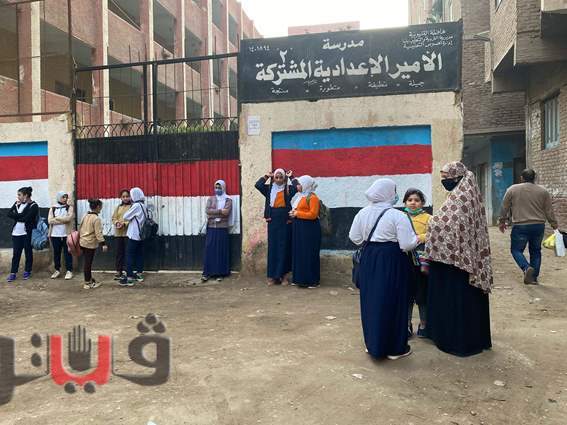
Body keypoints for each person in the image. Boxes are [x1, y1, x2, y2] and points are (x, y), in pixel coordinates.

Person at [425, 161, 492, 357]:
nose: (444, 180)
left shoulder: (461, 199)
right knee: (469, 300)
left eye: (447, 177)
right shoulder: (466, 195)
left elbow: (449, 225)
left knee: (457, 300)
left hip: (456, 263)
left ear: (458, 177)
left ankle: (457, 340)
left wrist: (431, 223)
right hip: (464, 259)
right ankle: (474, 337)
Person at [349, 179, 418, 360]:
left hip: (369, 259)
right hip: (392, 260)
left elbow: (355, 238)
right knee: (394, 300)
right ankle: (395, 348)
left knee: (371, 300)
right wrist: (418, 238)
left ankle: (373, 344)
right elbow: (406, 244)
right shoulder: (398, 215)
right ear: (388, 193)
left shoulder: (362, 213)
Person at [498, 168, 558, 285]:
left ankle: (526, 268)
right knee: (536, 251)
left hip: (520, 226)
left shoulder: (512, 189)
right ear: (535, 178)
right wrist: (554, 225)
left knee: (516, 250)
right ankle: (533, 278)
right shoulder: (543, 191)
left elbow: (504, 206)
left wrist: (502, 221)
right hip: (538, 226)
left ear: (521, 178)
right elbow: (549, 210)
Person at [255, 168, 297, 286]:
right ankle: (272, 276)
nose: (278, 180)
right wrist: (266, 176)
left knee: (284, 247)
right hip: (272, 221)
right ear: (273, 178)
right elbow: (258, 185)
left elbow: (298, 187)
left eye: (281, 177)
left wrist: (291, 177)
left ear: (284, 178)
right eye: (276, 177)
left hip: (285, 222)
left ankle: (284, 276)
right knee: (273, 248)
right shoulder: (269, 189)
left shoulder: (288, 189)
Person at [403, 188, 431, 338]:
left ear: (422, 203)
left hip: (422, 263)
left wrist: (422, 237)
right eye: (410, 200)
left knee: (422, 295)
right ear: (405, 202)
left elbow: (434, 233)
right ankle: (406, 324)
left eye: (417, 200)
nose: (413, 203)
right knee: (406, 295)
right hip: (405, 261)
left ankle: (424, 324)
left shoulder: (429, 218)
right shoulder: (400, 217)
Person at [289, 175, 321, 288]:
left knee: (308, 253)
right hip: (299, 228)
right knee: (299, 252)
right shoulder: (301, 196)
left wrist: (297, 214)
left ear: (306, 185)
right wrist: (294, 213)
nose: (298, 186)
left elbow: (313, 214)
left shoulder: (313, 198)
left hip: (309, 229)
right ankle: (299, 279)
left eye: (300, 184)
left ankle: (311, 280)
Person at [202, 180, 233, 282]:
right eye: (216, 187)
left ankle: (220, 273)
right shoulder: (211, 199)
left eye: (219, 188)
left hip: (222, 228)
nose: (217, 189)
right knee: (210, 250)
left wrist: (213, 214)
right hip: (211, 228)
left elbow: (226, 212)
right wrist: (220, 211)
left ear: (223, 188)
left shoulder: (228, 199)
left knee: (220, 250)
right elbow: (207, 211)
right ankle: (207, 273)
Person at [7, 187, 39, 282]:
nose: (18, 197)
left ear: (25, 195)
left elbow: (27, 218)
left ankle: (27, 271)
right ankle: (13, 273)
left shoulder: (33, 206)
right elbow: (9, 214)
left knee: (28, 252)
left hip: (26, 233)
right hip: (16, 233)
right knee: (16, 254)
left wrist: (16, 216)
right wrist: (19, 215)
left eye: (19, 195)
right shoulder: (17, 204)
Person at [120, 187, 146, 287]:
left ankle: (129, 278)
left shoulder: (136, 206)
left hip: (134, 235)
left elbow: (125, 216)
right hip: (141, 235)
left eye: (131, 195)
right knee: (139, 255)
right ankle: (139, 275)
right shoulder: (143, 205)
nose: (130, 198)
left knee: (129, 255)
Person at [79, 199, 107, 289]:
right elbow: (98, 233)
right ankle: (87, 282)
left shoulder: (85, 215)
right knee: (88, 263)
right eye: (101, 207)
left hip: (82, 242)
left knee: (87, 262)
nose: (101, 208)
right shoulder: (96, 219)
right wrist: (103, 244)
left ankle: (89, 279)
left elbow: (80, 228)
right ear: (98, 207)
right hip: (90, 243)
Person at [48, 191, 75, 280]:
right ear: (59, 198)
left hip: (66, 234)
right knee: (56, 253)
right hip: (55, 234)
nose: (65, 199)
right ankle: (57, 270)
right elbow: (50, 221)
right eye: (63, 197)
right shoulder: (53, 208)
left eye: (66, 197)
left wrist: (57, 218)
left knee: (68, 252)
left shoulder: (69, 208)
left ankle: (69, 270)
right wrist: (62, 220)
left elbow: (68, 219)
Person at [112, 189, 131, 280]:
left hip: (128, 233)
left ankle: (127, 270)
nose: (125, 198)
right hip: (119, 233)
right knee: (119, 253)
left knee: (128, 252)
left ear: (130, 197)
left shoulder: (132, 207)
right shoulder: (118, 207)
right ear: (121, 198)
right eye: (123, 197)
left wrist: (125, 224)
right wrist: (116, 223)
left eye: (127, 196)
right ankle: (118, 270)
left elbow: (132, 219)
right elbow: (113, 218)